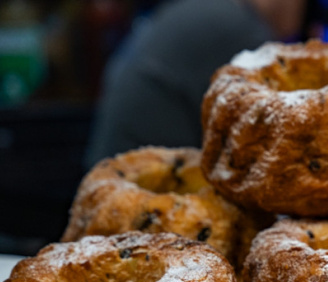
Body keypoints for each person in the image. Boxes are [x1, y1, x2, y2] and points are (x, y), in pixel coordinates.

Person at [85, 0, 306, 168]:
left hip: (114, 176)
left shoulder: (205, 10)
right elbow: (283, 141)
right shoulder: (237, 28)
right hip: (144, 193)